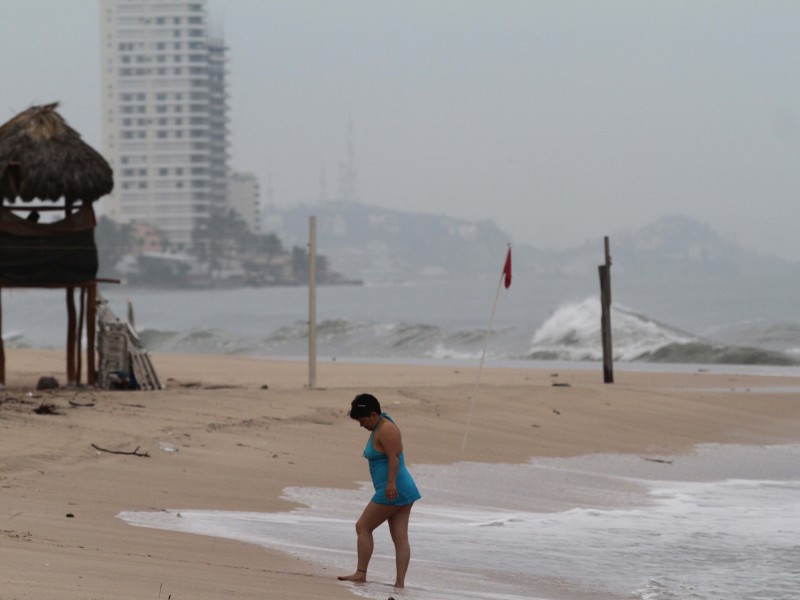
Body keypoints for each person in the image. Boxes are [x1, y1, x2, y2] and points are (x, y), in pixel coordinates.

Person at [338, 393, 421, 589]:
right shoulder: (381, 424)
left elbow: (394, 457)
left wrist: (390, 484)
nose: (361, 425)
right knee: (400, 538)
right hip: (401, 489)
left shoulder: (387, 429)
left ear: (374, 414)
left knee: (363, 527)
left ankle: (360, 573)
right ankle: (399, 584)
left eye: (362, 420)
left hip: (392, 489)